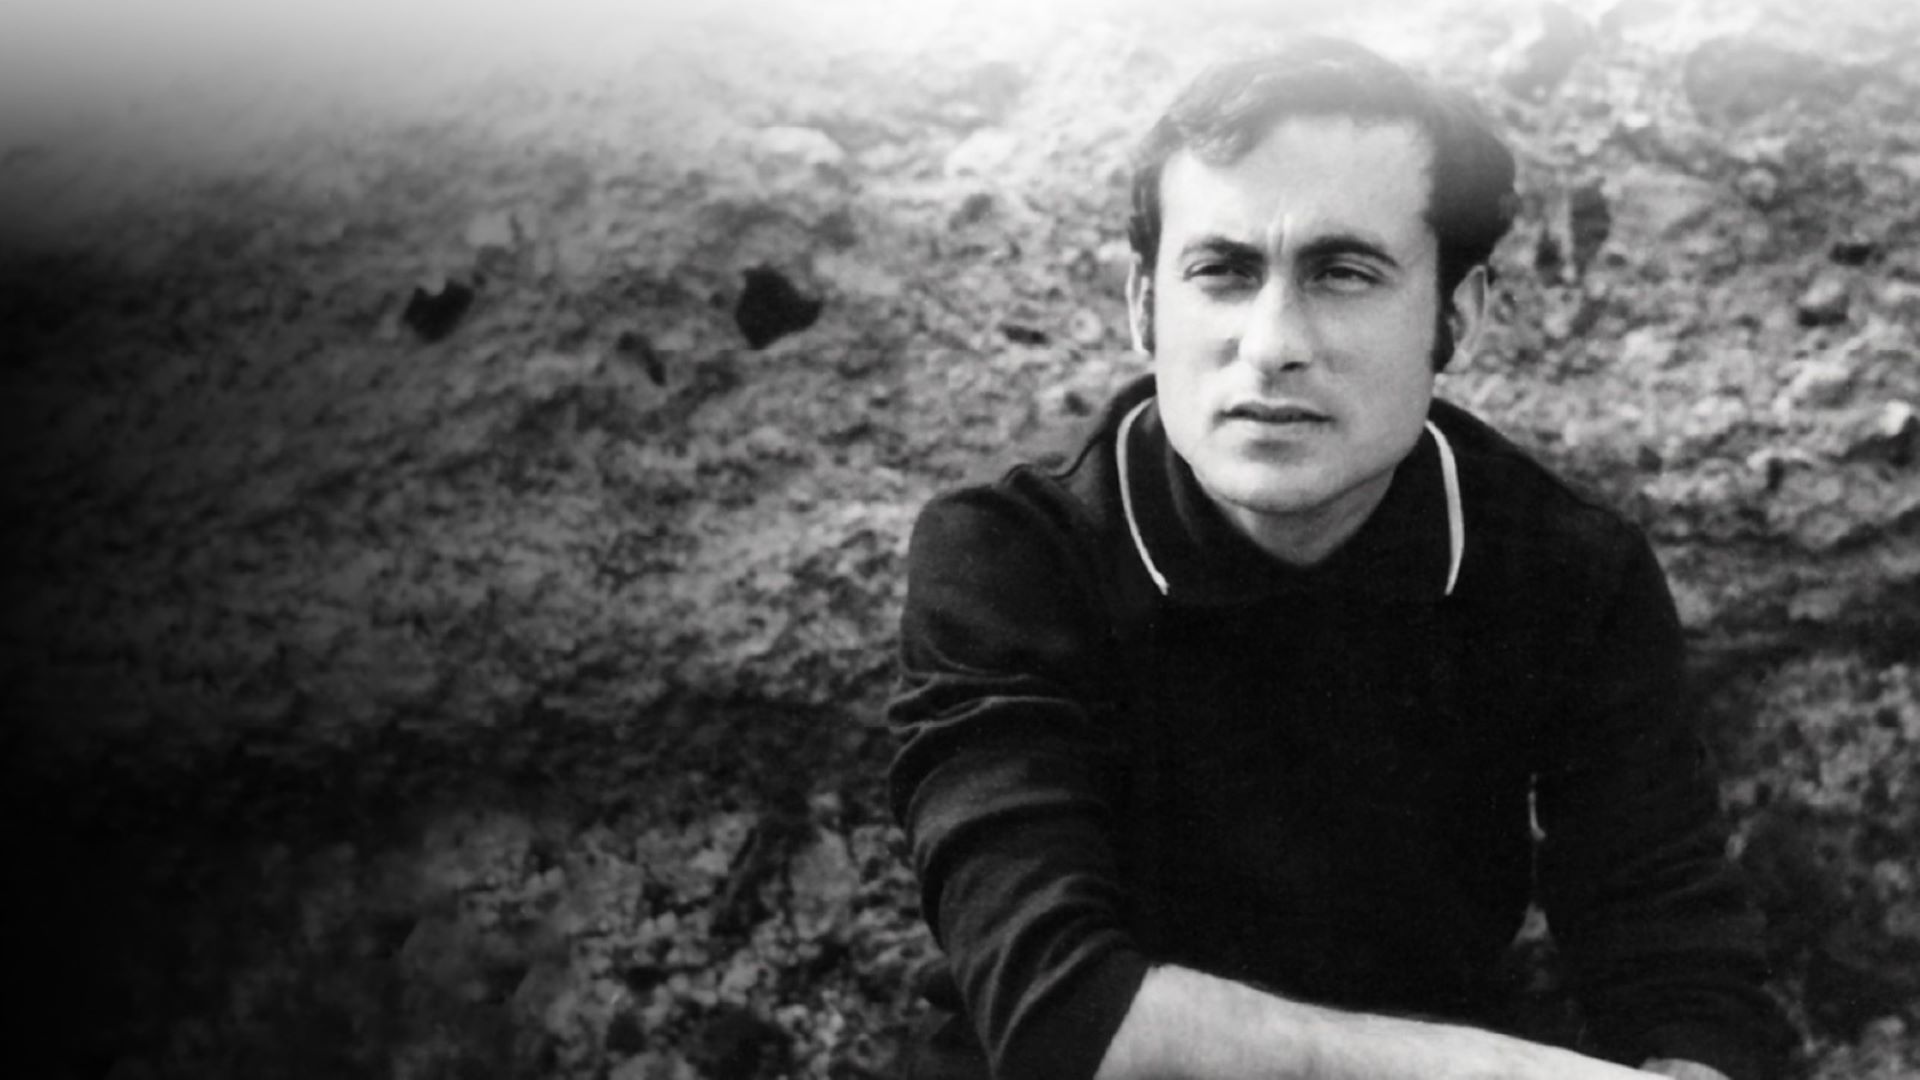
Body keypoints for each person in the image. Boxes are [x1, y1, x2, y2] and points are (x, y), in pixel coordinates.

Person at [885, 37, 1790, 1080]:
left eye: (1344, 273)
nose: (1272, 343)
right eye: (1222, 272)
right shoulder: (1011, 558)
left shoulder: (1567, 571)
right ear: (1144, 305)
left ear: (1456, 316)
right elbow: (1061, 1015)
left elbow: (1682, 971)